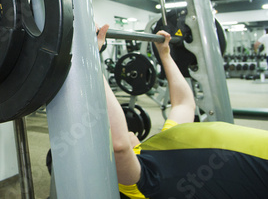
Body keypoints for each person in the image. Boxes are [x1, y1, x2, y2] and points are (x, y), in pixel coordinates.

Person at [96, 24, 268, 199]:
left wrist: (165, 54)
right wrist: (92, 57)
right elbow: (119, 146)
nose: (129, 132)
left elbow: (184, 104)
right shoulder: (142, 184)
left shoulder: (161, 146)